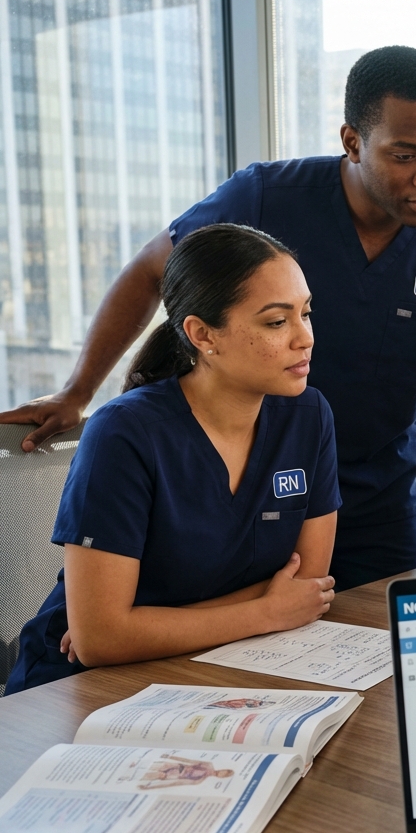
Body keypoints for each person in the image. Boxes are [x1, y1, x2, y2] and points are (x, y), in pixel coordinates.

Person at [0, 46, 416, 589]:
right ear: (352, 141)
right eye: (405, 155)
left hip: (380, 501)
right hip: (258, 494)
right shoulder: (264, 199)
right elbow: (150, 273)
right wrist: (78, 391)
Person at [4, 224, 341, 694]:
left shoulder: (308, 416)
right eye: (276, 322)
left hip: (217, 668)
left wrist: (137, 630)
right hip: (79, 688)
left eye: (306, 313)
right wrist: (263, 611)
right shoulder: (124, 433)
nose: (304, 338)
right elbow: (99, 641)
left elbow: (306, 584)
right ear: (203, 334)